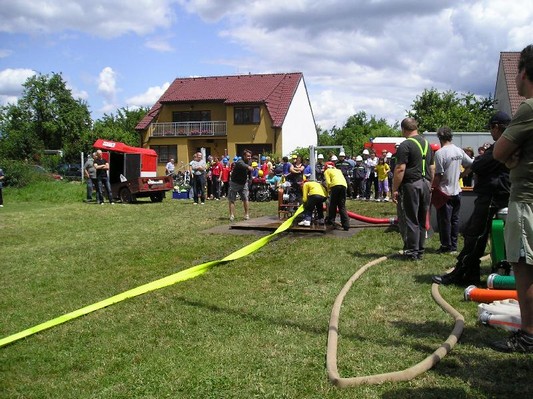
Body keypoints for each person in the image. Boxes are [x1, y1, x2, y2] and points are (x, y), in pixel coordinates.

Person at [432, 112, 511, 286]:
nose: (491, 132)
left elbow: (478, 164)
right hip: (493, 194)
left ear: (496, 126)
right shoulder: (507, 142)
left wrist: (482, 160)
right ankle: (471, 273)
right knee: (471, 232)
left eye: (491, 128)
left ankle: (461, 274)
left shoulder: (504, 144)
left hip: (493, 195)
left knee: (474, 236)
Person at [491, 44, 533, 353]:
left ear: (523, 72)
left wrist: (509, 158)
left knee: (524, 268)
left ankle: (528, 335)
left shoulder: (529, 108)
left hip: (527, 201)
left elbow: (499, 152)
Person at [392, 118, 434, 261]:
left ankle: (412, 252)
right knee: (422, 218)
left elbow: (400, 168)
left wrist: (394, 189)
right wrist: (430, 184)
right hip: (426, 183)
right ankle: (420, 251)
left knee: (411, 219)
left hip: (412, 184)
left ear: (404, 129)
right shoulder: (427, 144)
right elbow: (432, 168)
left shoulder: (405, 145)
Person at [432, 127, 473, 254]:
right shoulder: (458, 150)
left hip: (445, 192)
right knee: (454, 220)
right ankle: (454, 246)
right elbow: (471, 164)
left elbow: (438, 175)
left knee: (444, 220)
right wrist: (461, 175)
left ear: (440, 138)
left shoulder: (440, 153)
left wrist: (433, 188)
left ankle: (446, 246)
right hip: (457, 190)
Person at [228, 149, 254, 221]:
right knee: (232, 199)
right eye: (248, 156)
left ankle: (246, 215)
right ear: (244, 156)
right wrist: (248, 167)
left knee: (245, 198)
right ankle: (232, 215)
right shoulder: (240, 161)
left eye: (250, 156)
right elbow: (244, 166)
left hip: (243, 183)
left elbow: (249, 172)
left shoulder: (250, 162)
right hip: (234, 183)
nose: (249, 157)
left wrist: (250, 179)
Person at [323, 161, 350, 231]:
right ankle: (346, 225)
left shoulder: (327, 171)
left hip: (335, 186)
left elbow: (328, 182)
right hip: (344, 186)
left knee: (333, 205)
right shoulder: (338, 170)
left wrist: (328, 191)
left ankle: (331, 222)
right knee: (342, 206)